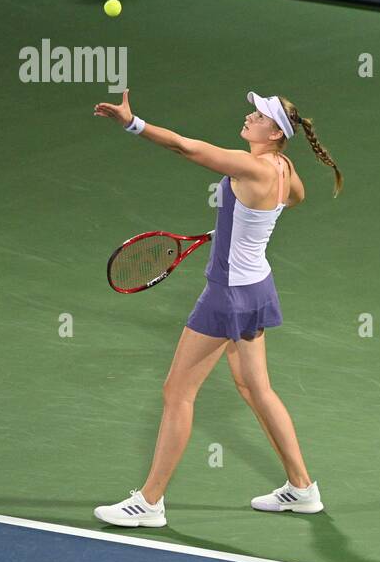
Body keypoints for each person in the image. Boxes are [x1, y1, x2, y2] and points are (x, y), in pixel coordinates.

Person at [90, 90, 343, 526]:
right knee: (255, 388)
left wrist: (133, 123)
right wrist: (241, 225)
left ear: (274, 132)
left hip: (227, 294)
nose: (249, 116)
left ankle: (149, 503)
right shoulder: (284, 169)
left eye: (259, 115)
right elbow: (293, 199)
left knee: (177, 392)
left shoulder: (250, 165)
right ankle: (302, 489)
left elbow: (185, 147)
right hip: (259, 288)